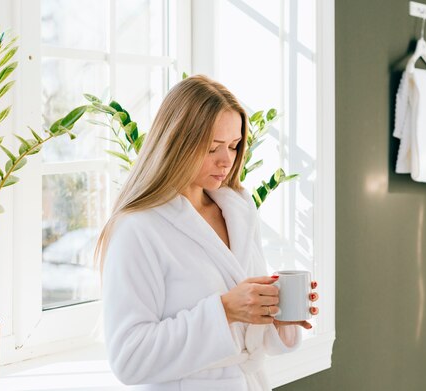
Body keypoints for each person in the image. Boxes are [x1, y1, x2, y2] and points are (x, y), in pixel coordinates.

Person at [96, 75, 319, 390]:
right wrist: (224, 310)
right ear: (178, 142)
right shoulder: (139, 228)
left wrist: (276, 315)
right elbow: (128, 358)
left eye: (233, 145)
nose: (227, 160)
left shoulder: (239, 210)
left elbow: (248, 335)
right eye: (213, 147)